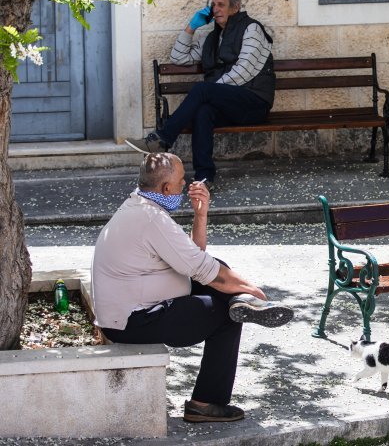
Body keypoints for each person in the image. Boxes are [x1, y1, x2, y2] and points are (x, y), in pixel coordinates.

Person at [91, 152, 293, 423]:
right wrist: (254, 289)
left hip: (132, 313)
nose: (185, 186)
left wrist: (200, 214)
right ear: (165, 188)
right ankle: (206, 403)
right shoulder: (152, 219)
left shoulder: (140, 206)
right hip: (131, 322)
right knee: (224, 315)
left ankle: (240, 301)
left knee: (219, 276)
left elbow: (192, 257)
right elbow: (203, 269)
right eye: (181, 181)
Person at [125, 0, 276, 186]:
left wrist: (210, 92)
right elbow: (179, 57)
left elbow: (244, 70)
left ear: (235, 7)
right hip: (229, 105)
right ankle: (204, 178)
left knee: (203, 91)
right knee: (203, 111)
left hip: (254, 103)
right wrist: (192, 27)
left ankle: (161, 139)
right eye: (213, 5)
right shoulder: (212, 38)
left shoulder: (251, 29)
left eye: (221, 4)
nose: (215, 9)